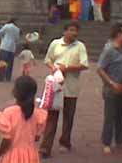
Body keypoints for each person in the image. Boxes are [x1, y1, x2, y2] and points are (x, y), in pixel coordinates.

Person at [39, 22, 89, 158]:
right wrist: (54, 67)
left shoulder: (80, 46)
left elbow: (84, 65)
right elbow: (47, 59)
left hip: (71, 87)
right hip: (56, 86)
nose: (74, 33)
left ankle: (65, 141)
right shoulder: (55, 44)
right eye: (71, 30)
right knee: (51, 117)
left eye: (76, 31)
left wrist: (67, 68)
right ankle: (45, 147)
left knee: (68, 117)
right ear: (65, 31)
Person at [96, 23, 122, 155]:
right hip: (111, 87)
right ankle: (106, 142)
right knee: (110, 116)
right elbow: (99, 69)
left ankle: (120, 140)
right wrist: (111, 83)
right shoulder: (109, 50)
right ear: (118, 35)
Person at [0, 76, 47, 163]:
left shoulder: (9, 112)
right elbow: (36, 138)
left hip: (12, 156)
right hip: (31, 156)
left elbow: (6, 140)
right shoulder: (37, 114)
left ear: (15, 92)